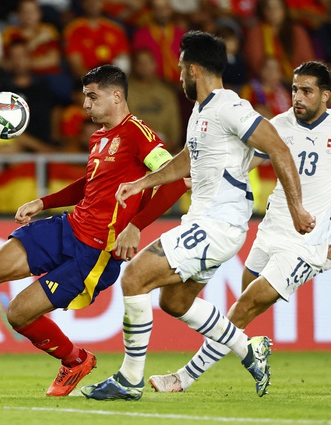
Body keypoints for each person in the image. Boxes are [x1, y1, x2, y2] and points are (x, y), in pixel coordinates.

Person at [0, 64, 188, 397]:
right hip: (68, 226)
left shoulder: (139, 135)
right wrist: (44, 202)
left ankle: (76, 361)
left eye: (92, 96)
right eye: (84, 97)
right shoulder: (100, 136)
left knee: (17, 314)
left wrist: (135, 226)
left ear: (117, 96)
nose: (85, 105)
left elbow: (176, 179)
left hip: (95, 252)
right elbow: (91, 185)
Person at [148, 61, 331, 394]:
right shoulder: (279, 125)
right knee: (245, 300)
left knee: (241, 310)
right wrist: (206, 175)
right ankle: (324, 264)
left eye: (306, 91)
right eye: (294, 89)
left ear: (326, 95)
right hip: (271, 229)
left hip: (305, 237)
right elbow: (248, 162)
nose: (297, 97)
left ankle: (183, 378)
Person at [80, 30, 315, 401]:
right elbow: (188, 161)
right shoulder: (200, 112)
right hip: (204, 221)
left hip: (219, 222)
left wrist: (298, 207)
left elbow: (278, 149)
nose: (177, 76)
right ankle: (246, 347)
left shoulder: (229, 106)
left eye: (179, 69)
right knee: (175, 303)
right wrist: (143, 183)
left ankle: (128, 380)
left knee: (136, 277)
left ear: (193, 69)